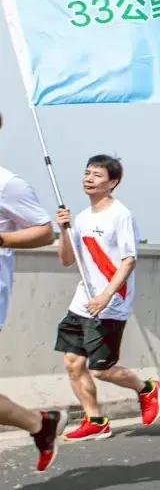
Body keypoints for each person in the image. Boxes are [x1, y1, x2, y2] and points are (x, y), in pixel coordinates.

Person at [54, 155, 160, 442]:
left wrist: (105, 295)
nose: (88, 178)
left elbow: (129, 261)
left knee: (101, 370)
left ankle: (146, 388)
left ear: (112, 182)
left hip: (110, 304)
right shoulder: (81, 217)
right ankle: (96, 420)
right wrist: (64, 230)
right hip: (82, 302)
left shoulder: (121, 215)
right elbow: (67, 259)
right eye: (87, 173)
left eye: (97, 175)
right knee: (72, 363)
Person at [0, 151, 68, 471]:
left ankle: (41, 424)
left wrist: (2, 237)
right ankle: (40, 424)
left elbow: (44, 231)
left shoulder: (8, 184)